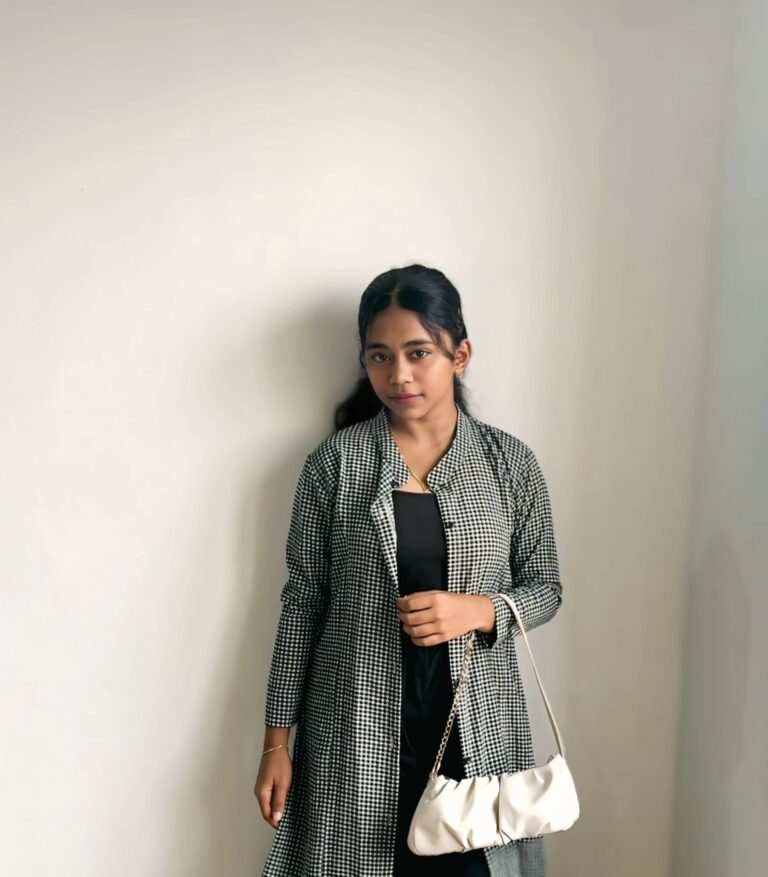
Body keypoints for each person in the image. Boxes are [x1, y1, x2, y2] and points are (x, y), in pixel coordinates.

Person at [255, 264, 562, 876]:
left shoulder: (509, 463)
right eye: (380, 356)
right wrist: (276, 743)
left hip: (478, 725)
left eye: (419, 353)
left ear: (459, 355)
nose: (398, 375)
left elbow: (546, 587)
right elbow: (303, 604)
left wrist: (481, 610)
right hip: (357, 726)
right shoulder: (336, 464)